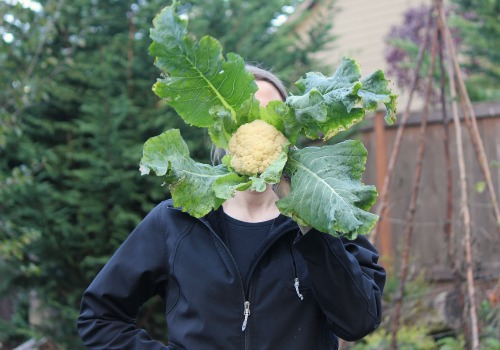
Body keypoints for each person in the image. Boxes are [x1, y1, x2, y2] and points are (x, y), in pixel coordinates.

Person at [77, 65, 386, 350]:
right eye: (245, 116)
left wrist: (308, 222)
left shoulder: (326, 214)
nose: (259, 128)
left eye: (271, 116)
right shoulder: (175, 222)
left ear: (289, 129)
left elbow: (358, 322)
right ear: (223, 130)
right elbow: (99, 317)